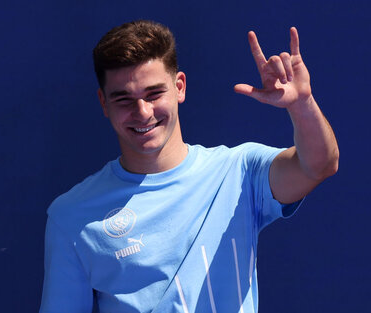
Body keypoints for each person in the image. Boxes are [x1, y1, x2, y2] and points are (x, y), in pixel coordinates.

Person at [39, 20, 339, 313]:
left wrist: (302, 104)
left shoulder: (239, 171)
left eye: (154, 94)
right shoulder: (70, 215)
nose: (142, 112)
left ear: (179, 87)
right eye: (123, 100)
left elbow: (319, 166)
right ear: (103, 103)